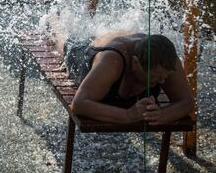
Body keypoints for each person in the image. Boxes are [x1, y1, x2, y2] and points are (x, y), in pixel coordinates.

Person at [59, 32, 194, 124]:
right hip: (86, 52)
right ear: (135, 63)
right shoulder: (112, 62)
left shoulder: (168, 61)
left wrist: (162, 115)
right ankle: (53, 23)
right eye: (154, 77)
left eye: (165, 77)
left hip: (124, 39)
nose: (163, 82)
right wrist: (127, 115)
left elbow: (187, 101)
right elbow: (78, 104)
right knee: (66, 42)